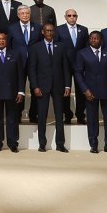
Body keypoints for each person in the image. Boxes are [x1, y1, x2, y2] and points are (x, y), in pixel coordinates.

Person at [73, 30, 107, 154]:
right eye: (91, 38)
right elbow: (78, 73)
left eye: (96, 38)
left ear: (101, 40)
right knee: (92, 119)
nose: (93, 40)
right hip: (90, 92)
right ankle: (94, 145)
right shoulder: (82, 53)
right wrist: (85, 90)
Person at [28, 23, 70, 152]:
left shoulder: (61, 47)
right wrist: (35, 86)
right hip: (42, 86)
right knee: (42, 116)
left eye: (52, 31)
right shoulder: (36, 48)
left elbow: (66, 68)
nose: (49, 33)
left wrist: (67, 85)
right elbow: (32, 69)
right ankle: (42, 144)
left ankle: (60, 144)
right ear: (42, 32)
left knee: (59, 116)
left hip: (58, 86)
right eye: (47, 31)